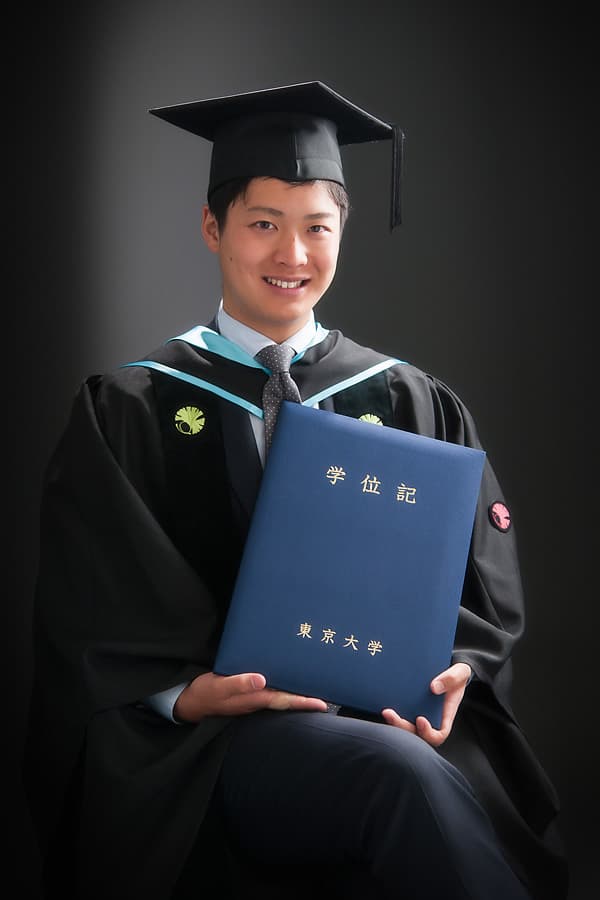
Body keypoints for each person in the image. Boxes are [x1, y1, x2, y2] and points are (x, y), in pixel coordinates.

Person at [23, 81, 568, 900]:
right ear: (213, 228)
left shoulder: (411, 398)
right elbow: (87, 611)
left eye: (317, 227)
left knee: (409, 768)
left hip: (385, 719)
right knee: (399, 778)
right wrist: (185, 698)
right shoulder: (131, 407)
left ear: (342, 232)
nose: (293, 256)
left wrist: (458, 669)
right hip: (219, 745)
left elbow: (481, 588)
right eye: (263, 225)